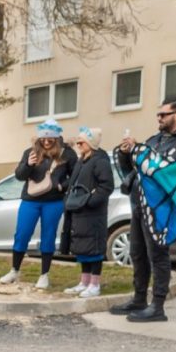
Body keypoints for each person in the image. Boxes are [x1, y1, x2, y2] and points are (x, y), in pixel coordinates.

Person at [111, 95, 176, 322]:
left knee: (158, 255)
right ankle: (138, 299)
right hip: (140, 205)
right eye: (158, 114)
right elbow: (137, 169)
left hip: (162, 210)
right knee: (137, 253)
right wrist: (127, 153)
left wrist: (139, 150)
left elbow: (162, 169)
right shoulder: (156, 139)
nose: (159, 117)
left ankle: (157, 306)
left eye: (163, 114)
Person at [0, 120, 77, 288]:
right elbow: (20, 176)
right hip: (30, 201)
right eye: (43, 139)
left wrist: (61, 186)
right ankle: (14, 270)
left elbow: (75, 177)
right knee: (22, 234)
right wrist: (28, 164)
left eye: (51, 140)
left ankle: (44, 275)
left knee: (48, 236)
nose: (47, 142)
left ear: (57, 139)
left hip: (53, 202)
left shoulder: (67, 154)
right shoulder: (30, 152)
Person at [59, 127, 114, 298]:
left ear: (91, 143)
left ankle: (94, 285)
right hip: (79, 211)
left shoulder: (100, 161)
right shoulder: (82, 161)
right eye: (77, 142)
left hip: (93, 213)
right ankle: (84, 282)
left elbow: (106, 186)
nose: (78, 145)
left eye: (81, 142)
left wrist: (89, 202)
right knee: (83, 248)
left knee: (94, 249)